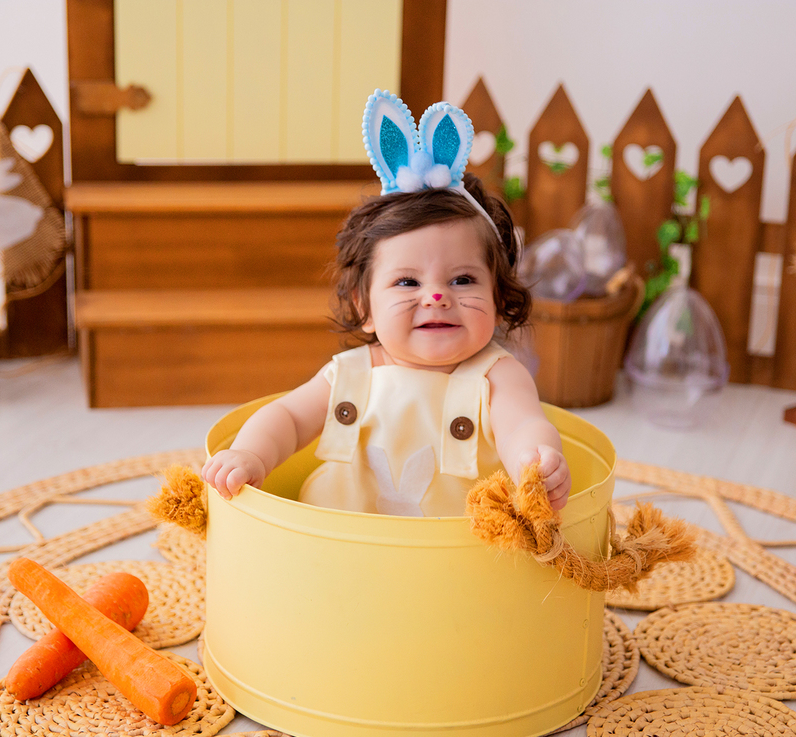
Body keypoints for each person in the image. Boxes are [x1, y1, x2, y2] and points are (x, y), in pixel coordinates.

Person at [203, 90, 571, 516]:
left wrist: (536, 460)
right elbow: (286, 417)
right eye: (407, 281)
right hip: (337, 547)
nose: (436, 296)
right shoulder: (350, 375)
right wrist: (252, 456)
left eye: (463, 279)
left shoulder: (497, 376)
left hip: (461, 563)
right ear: (365, 309)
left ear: (497, 294)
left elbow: (522, 424)